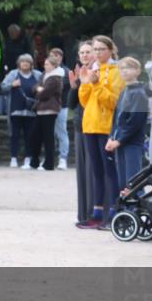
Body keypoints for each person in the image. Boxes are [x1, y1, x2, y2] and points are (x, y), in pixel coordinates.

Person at [77, 34, 124, 229]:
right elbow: (85, 101)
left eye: (100, 49)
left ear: (110, 50)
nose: (96, 53)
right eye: (94, 50)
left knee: (109, 170)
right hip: (90, 125)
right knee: (96, 171)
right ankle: (96, 213)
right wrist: (84, 83)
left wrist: (96, 84)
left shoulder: (116, 71)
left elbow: (113, 101)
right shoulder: (93, 68)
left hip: (106, 126)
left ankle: (113, 212)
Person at [106, 56, 148, 203]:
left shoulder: (139, 93)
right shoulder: (124, 91)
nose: (124, 71)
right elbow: (117, 117)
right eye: (122, 68)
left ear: (137, 71)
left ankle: (141, 210)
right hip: (120, 142)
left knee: (133, 181)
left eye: (128, 68)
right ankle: (128, 213)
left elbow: (135, 121)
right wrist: (111, 137)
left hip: (132, 143)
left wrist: (119, 139)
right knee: (123, 182)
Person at [69, 41, 96, 227]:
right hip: (80, 125)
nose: (85, 55)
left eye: (88, 52)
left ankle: (95, 213)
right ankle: (84, 215)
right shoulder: (79, 73)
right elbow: (71, 104)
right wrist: (73, 86)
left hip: (96, 126)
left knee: (94, 172)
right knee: (82, 173)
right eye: (82, 53)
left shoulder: (98, 73)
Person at [1, 54, 42, 168]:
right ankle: (13, 158)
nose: (25, 63)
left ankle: (28, 158)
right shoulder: (13, 74)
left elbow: (44, 87)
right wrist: (12, 85)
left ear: (31, 64)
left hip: (31, 111)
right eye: (23, 61)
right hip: (15, 110)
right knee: (14, 135)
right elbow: (3, 88)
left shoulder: (37, 75)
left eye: (27, 62)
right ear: (19, 63)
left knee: (30, 135)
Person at [27, 55, 63, 171]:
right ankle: (34, 161)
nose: (45, 66)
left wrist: (40, 90)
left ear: (53, 65)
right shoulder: (44, 75)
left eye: (47, 64)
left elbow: (45, 93)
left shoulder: (55, 78)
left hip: (50, 109)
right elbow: (35, 88)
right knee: (35, 135)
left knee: (48, 137)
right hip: (40, 109)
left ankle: (49, 163)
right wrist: (39, 89)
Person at [49, 47, 72, 170]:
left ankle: (63, 158)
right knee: (49, 133)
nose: (55, 58)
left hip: (61, 106)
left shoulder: (66, 72)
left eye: (57, 56)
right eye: (52, 56)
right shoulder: (46, 71)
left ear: (61, 58)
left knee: (61, 132)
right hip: (47, 107)